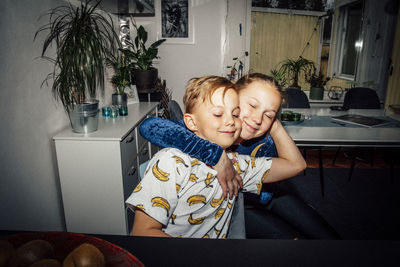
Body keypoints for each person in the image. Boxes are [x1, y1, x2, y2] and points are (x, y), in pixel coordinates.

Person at [139, 73, 341, 239]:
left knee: (323, 234)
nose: (257, 119)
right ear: (233, 96)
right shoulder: (203, 131)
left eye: (268, 115)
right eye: (252, 106)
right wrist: (215, 155)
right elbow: (151, 126)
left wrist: (274, 122)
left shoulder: (262, 138)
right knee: (288, 241)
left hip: (266, 191)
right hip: (237, 203)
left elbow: (295, 165)